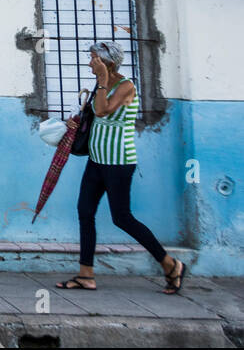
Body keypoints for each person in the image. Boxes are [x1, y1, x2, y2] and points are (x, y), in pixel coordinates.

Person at [54, 40, 186, 294]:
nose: (90, 63)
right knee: (85, 211)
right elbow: (93, 115)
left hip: (118, 162)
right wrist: (75, 122)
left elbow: (103, 111)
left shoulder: (125, 86)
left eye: (95, 59)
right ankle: (86, 275)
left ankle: (170, 265)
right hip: (97, 160)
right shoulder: (99, 84)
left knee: (122, 218)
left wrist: (103, 78)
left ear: (108, 62)